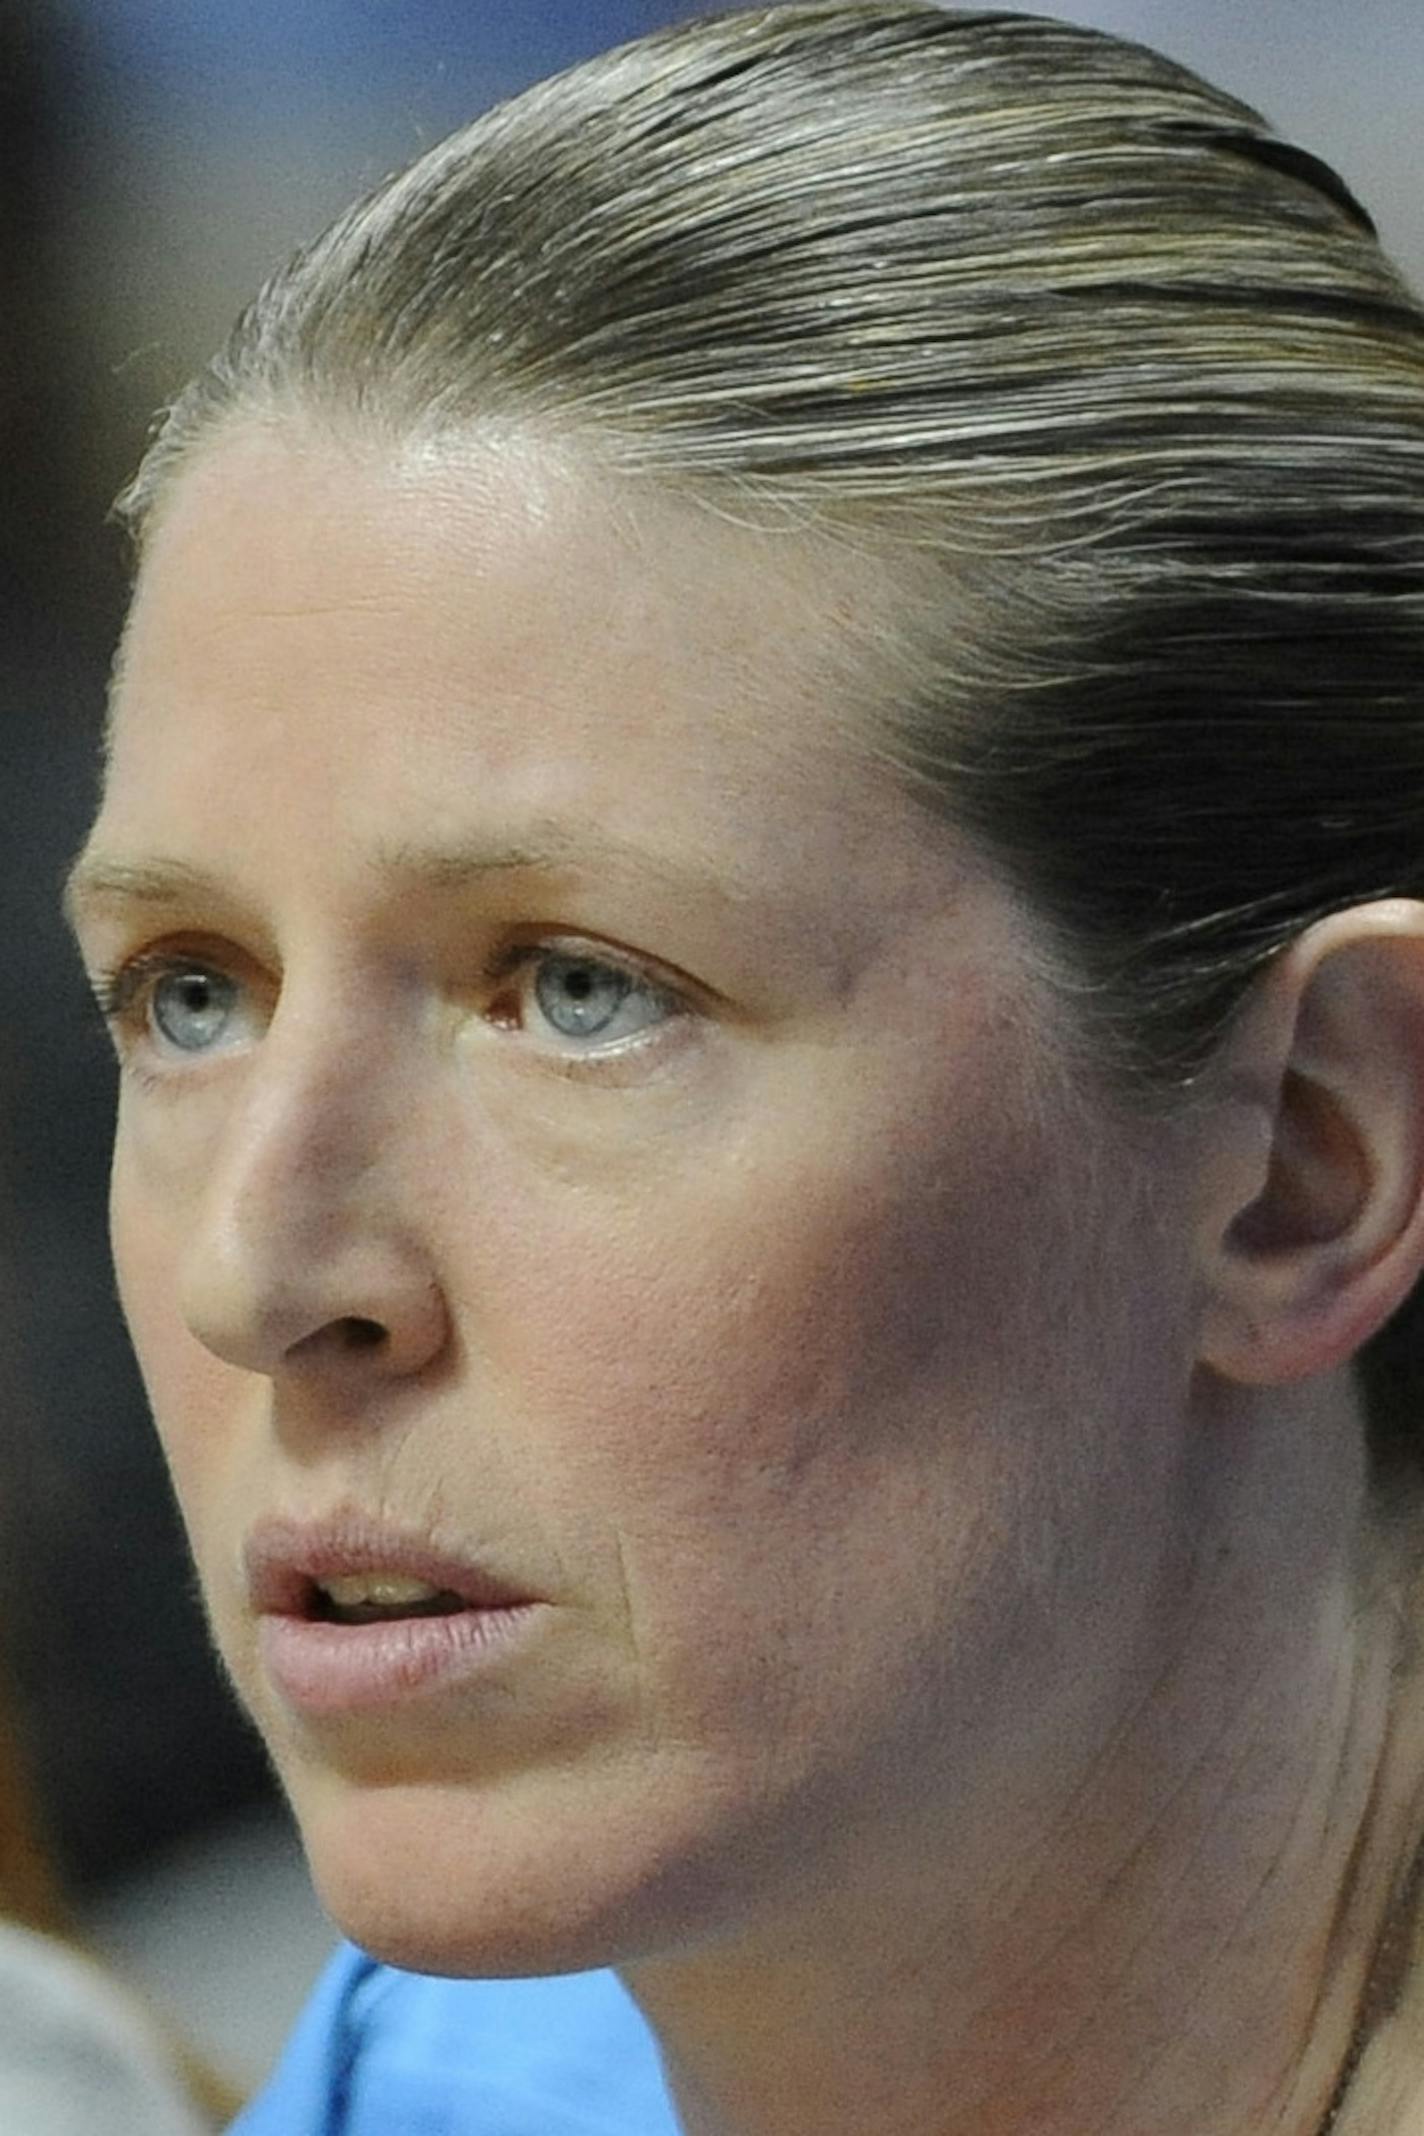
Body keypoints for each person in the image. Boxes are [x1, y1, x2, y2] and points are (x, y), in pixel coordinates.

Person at [61, 4, 1424, 2131]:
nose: (262, 1270)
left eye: (579, 990)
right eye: (189, 992)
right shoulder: (436, 2079)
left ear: (1310, 1161)